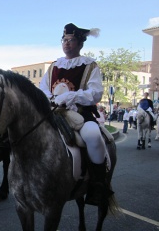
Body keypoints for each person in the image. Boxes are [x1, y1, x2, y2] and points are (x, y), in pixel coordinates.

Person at [39, 23, 112, 206]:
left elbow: (96, 93)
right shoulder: (54, 66)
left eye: (71, 40)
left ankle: (98, 184)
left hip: (79, 114)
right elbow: (42, 89)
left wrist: (72, 96)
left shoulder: (89, 66)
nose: (66, 43)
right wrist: (52, 99)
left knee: (93, 135)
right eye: (64, 40)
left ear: (80, 43)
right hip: (54, 113)